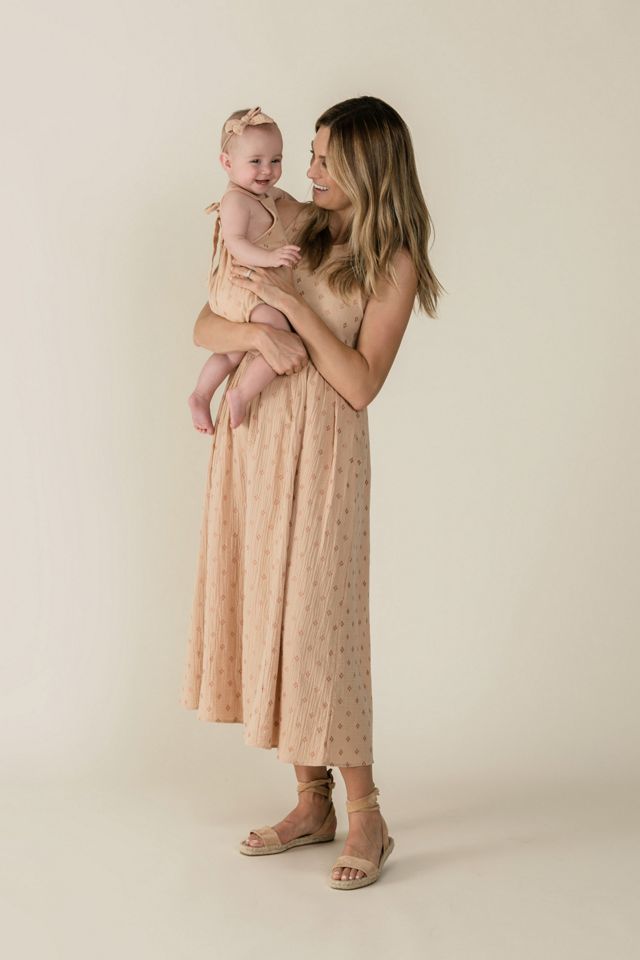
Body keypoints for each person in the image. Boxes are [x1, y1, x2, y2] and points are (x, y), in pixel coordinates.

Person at [181, 95, 444, 890]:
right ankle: (311, 803)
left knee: (320, 625)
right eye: (313, 154)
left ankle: (368, 815)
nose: (309, 167)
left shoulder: (391, 258)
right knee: (275, 615)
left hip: (326, 454)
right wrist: (258, 336)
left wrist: (294, 311)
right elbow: (206, 323)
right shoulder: (293, 222)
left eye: (326, 156)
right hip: (256, 443)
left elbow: (360, 383)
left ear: (366, 165)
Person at [187, 106, 302, 433]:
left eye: (276, 160)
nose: (267, 170)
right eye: (256, 161)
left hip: (246, 287)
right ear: (227, 163)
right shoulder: (235, 201)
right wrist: (272, 257)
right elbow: (236, 243)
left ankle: (200, 395)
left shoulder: (260, 193)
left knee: (232, 354)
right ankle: (242, 394)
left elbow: (279, 196)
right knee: (280, 332)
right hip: (238, 285)